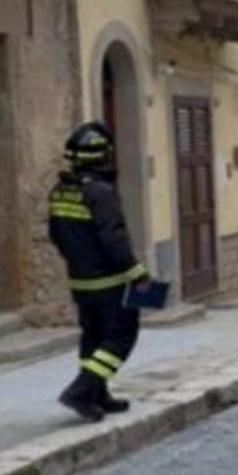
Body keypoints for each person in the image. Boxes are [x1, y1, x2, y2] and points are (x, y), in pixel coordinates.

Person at [49, 122, 150, 423]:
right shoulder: (101, 193)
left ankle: (98, 395)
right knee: (121, 336)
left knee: (92, 336)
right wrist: (137, 272)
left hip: (80, 280)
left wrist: (78, 261)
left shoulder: (60, 192)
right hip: (110, 281)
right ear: (102, 155)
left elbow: (55, 235)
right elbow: (113, 237)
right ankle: (81, 391)